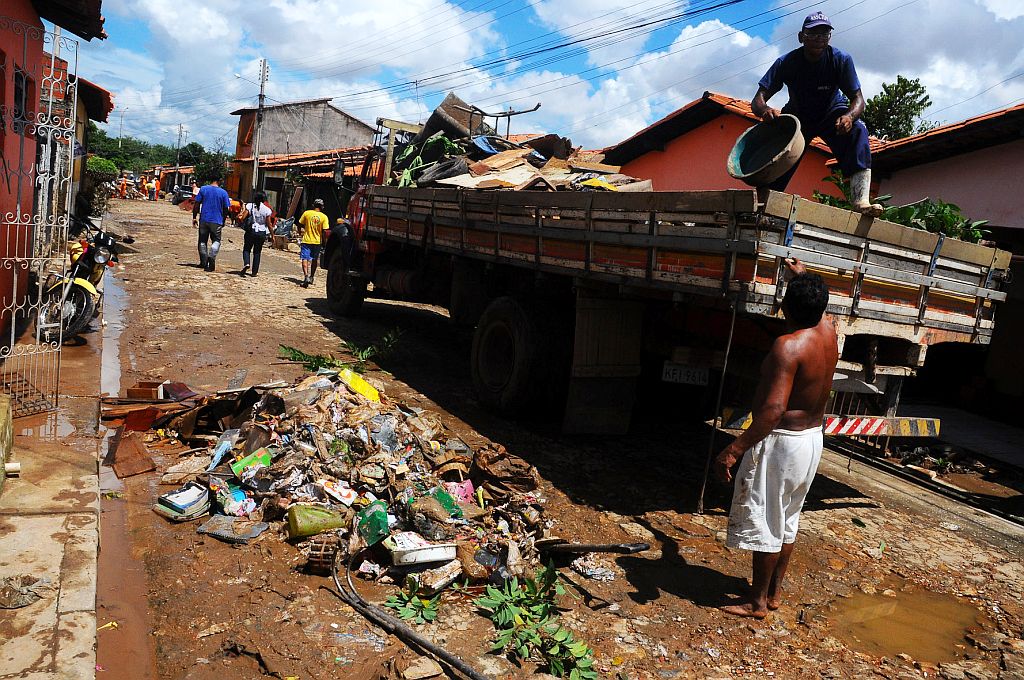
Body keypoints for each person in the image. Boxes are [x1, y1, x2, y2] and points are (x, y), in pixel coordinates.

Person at [714, 257, 839, 619]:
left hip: (783, 442)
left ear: (785, 306)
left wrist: (734, 449)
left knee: (768, 519)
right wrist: (800, 276)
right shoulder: (827, 330)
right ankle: (774, 594)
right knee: (787, 518)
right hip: (812, 439)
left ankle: (756, 604)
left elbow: (770, 412)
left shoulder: (787, 347)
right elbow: (817, 304)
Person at [751, 12, 881, 214]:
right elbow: (758, 99)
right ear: (801, 37)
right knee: (781, 153)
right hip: (798, 117)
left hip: (832, 113)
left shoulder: (841, 60)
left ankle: (860, 200)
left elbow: (858, 99)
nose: (820, 39)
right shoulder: (786, 63)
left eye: (825, 34)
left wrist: (849, 116)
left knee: (857, 130)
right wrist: (765, 110)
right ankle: (764, 203)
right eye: (813, 34)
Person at [191, 176, 231, 272]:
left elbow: (197, 204)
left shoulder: (204, 189)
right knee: (216, 240)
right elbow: (226, 209)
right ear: (219, 181)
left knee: (202, 241)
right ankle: (212, 255)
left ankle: (203, 262)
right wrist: (223, 220)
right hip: (217, 220)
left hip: (204, 219)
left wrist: (194, 217)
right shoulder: (223, 193)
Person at [240, 191, 275, 277]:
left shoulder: (250, 206)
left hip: (251, 231)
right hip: (261, 232)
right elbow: (269, 224)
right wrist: (272, 235)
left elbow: (243, 217)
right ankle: (254, 272)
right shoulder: (267, 210)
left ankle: (247, 263)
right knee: (257, 252)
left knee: (247, 249)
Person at [297, 198, 329, 288]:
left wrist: (300, 232)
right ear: (322, 207)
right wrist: (324, 242)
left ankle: (306, 276)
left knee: (304, 258)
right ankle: (311, 277)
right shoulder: (324, 217)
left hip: (306, 240)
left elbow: (299, 224)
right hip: (317, 241)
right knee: (314, 259)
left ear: (313, 205)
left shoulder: (307, 213)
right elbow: (324, 231)